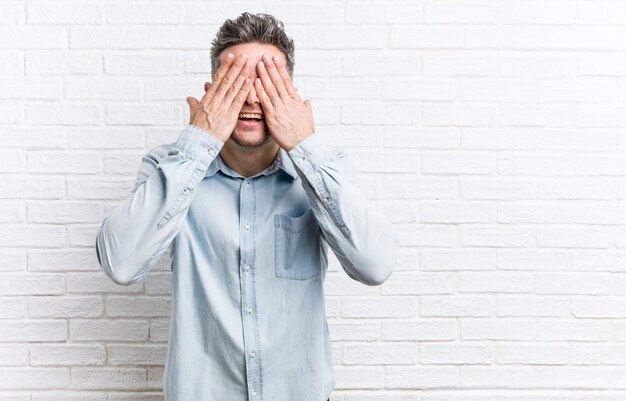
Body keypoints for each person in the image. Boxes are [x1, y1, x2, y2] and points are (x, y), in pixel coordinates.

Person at [95, 12, 399, 401]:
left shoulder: (326, 168)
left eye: (268, 82)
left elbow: (375, 265)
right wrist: (199, 139)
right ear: (211, 92)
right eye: (237, 81)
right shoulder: (168, 168)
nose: (253, 97)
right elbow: (120, 264)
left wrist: (304, 146)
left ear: (289, 94)